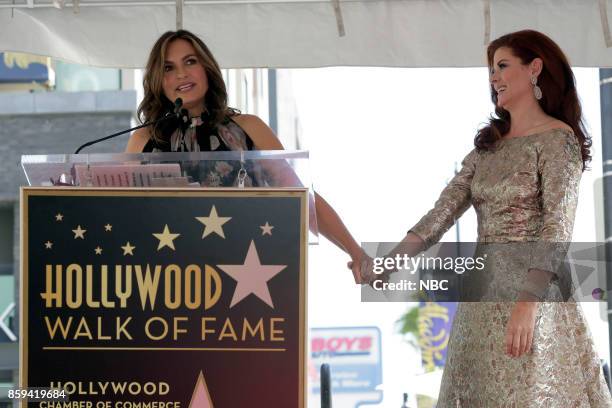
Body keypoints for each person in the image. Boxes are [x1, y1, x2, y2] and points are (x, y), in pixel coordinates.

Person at [361, 30, 612, 406]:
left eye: (502, 66)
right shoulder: (486, 149)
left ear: (535, 69)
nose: (493, 77)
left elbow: (556, 227)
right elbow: (439, 216)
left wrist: (528, 304)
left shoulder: (558, 141)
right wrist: (389, 264)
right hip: (481, 305)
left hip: (535, 302)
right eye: (491, 70)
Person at [125, 29, 368, 283]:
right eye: (168, 68)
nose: (181, 74)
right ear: (158, 81)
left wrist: (355, 251)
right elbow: (121, 214)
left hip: (244, 278)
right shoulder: (143, 141)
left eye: (190, 61)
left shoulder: (248, 128)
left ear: (207, 68)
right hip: (166, 282)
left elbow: (302, 199)